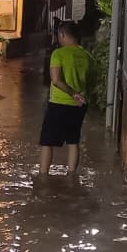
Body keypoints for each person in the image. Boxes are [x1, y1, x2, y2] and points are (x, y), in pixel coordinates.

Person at [39, 20, 90, 178]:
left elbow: (55, 80)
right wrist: (79, 95)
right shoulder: (87, 56)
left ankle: (43, 176)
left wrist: (72, 93)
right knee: (73, 140)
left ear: (62, 35)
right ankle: (71, 177)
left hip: (59, 103)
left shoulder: (58, 54)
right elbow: (91, 82)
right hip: (80, 105)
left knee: (47, 141)